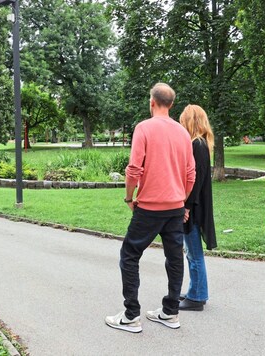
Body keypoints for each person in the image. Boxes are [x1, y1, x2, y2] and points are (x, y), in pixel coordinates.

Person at [105, 83, 196, 333]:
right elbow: (191, 174)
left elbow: (134, 169)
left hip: (149, 207)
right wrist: (181, 201)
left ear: (152, 102)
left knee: (129, 256)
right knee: (175, 259)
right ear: (172, 104)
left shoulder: (144, 128)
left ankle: (131, 315)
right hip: (175, 208)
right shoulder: (183, 133)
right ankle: (170, 312)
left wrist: (128, 198)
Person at [178, 104, 217, 311]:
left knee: (194, 253)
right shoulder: (199, 144)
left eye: (183, 119)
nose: (180, 123)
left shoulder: (197, 145)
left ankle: (198, 296)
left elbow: (196, 181)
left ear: (190, 121)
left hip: (194, 207)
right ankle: (195, 290)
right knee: (191, 252)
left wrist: (186, 207)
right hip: (195, 205)